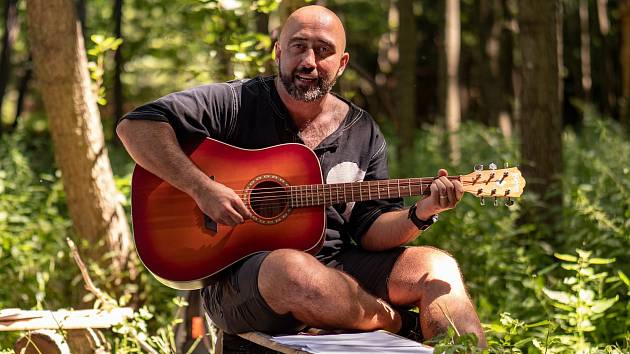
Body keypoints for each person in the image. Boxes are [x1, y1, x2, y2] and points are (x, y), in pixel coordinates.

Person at [116, 5, 486, 347]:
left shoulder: (362, 131)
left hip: (340, 268)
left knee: (437, 267)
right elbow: (137, 127)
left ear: (342, 64)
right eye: (298, 47)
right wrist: (201, 188)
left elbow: (371, 229)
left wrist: (419, 214)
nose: (309, 61)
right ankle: (396, 324)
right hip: (244, 280)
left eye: (323, 51)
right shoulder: (235, 103)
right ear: (278, 52)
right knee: (290, 269)